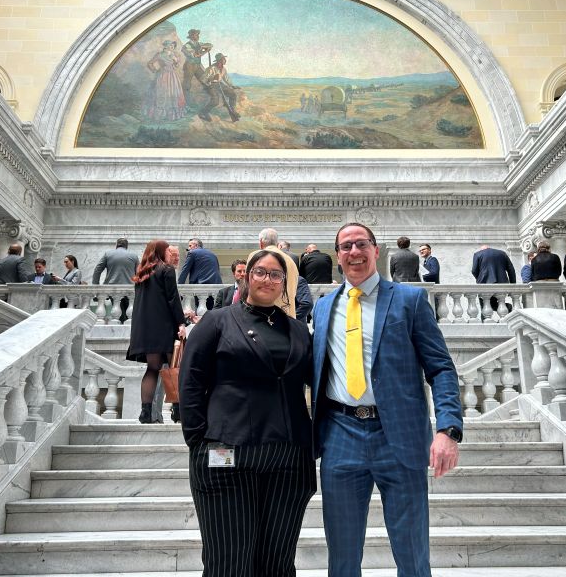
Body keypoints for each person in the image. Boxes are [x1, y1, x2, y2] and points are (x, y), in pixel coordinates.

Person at [311, 222, 462, 577]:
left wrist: (448, 430)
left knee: (412, 553)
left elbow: (440, 368)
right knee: (342, 556)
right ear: (338, 258)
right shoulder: (322, 308)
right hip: (340, 435)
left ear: (377, 251)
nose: (354, 253)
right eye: (345, 247)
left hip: (399, 437)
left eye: (361, 244)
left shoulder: (409, 300)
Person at [180, 248, 316, 576]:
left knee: (278, 563)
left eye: (276, 274)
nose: (267, 279)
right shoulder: (217, 321)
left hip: (289, 459)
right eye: (260, 272)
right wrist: (199, 439)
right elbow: (191, 381)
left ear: (286, 283)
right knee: (230, 561)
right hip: (227, 452)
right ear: (245, 276)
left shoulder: (299, 331)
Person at [127, 240, 186, 424]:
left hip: (145, 329)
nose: (170, 253)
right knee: (176, 367)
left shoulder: (142, 273)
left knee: (152, 369)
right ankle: (178, 411)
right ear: (161, 251)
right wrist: (181, 323)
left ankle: (145, 413)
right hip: (166, 327)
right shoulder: (167, 270)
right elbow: (172, 299)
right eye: (168, 250)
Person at [147, 40, 186, 121]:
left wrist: (175, 61)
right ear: (166, 46)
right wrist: (154, 70)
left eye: (172, 46)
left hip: (172, 76)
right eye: (170, 45)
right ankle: (160, 115)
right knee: (162, 93)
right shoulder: (160, 55)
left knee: (173, 93)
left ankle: (171, 115)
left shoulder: (172, 55)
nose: (172, 47)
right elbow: (150, 63)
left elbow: (176, 66)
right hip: (163, 76)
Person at [472, 244, 516, 314]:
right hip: (501, 283)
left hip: (484, 284)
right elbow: (511, 269)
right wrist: (513, 285)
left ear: (482, 250)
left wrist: (479, 279)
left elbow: (474, 271)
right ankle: (507, 309)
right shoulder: (502, 253)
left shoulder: (478, 254)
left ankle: (485, 322)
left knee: (485, 305)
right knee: (500, 302)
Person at [198, 53, 240, 122]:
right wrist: (212, 79)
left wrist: (232, 85)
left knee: (233, 94)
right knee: (215, 101)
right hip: (210, 85)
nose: (225, 60)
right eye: (223, 59)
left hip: (219, 84)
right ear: (219, 60)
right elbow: (203, 79)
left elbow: (226, 79)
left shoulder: (223, 69)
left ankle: (233, 110)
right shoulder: (211, 68)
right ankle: (203, 112)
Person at [180, 29, 211, 108]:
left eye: (198, 35)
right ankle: (185, 104)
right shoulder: (186, 46)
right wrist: (205, 51)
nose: (198, 36)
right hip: (189, 66)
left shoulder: (199, 44)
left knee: (204, 79)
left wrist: (205, 47)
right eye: (196, 35)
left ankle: (208, 101)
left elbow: (210, 45)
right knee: (187, 85)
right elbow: (194, 55)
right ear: (191, 36)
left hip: (197, 65)